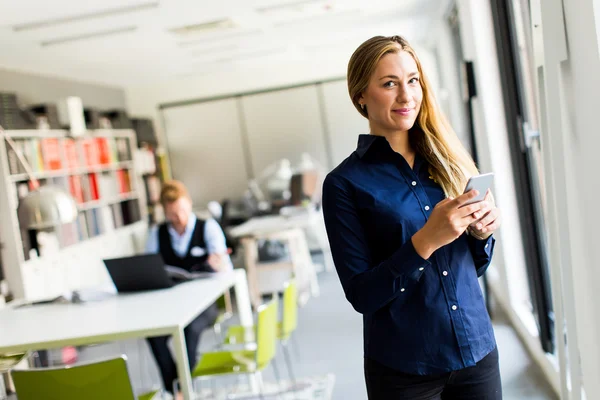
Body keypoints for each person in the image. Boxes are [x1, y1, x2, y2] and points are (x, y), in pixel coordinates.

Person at [321, 35, 503, 399]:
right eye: (389, 83)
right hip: (405, 369)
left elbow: (471, 269)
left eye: (413, 80)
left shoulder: (449, 161)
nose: (406, 96)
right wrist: (426, 241)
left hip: (476, 350)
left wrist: (482, 234)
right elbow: (362, 295)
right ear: (360, 95)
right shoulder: (343, 184)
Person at [144, 180, 233, 397]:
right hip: (171, 302)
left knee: (189, 330)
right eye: (173, 214)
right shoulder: (157, 234)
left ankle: (182, 390)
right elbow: (148, 268)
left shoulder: (208, 227)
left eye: (182, 210)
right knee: (153, 335)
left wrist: (218, 264)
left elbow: (226, 269)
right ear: (165, 212)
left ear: (190, 204)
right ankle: (174, 386)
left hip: (206, 304)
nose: (180, 218)